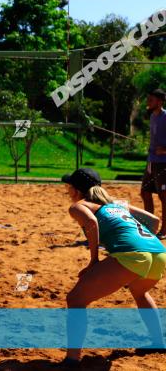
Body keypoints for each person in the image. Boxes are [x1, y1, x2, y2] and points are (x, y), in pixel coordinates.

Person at [61, 167, 166, 366]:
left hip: (134, 255)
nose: (67, 190)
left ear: (76, 189)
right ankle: (158, 342)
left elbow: (91, 222)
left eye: (69, 186)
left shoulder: (78, 206)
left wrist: (94, 261)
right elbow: (154, 221)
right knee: (140, 293)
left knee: (75, 299)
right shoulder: (116, 204)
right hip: (158, 253)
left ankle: (72, 360)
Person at [142, 88, 166, 238]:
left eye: (151, 99)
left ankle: (164, 230)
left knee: (164, 197)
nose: (148, 102)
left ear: (160, 101)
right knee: (145, 192)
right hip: (151, 161)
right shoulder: (152, 117)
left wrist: (164, 150)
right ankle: (149, 226)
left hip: (164, 163)